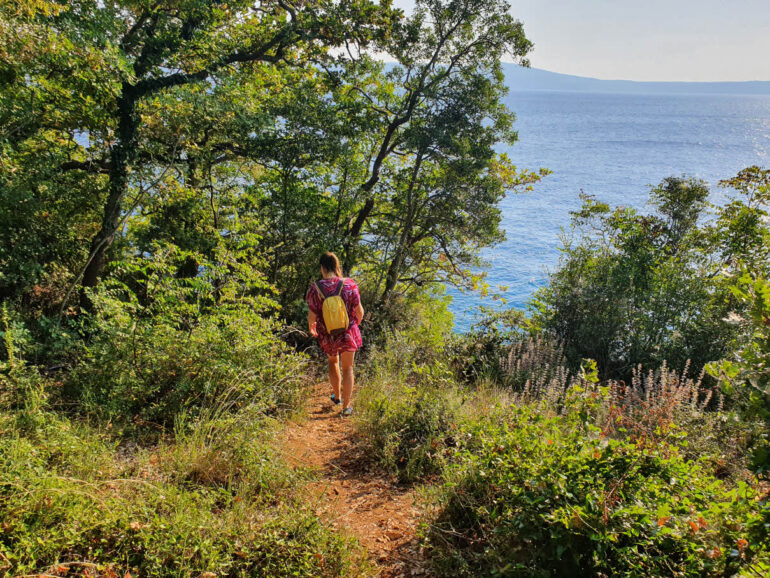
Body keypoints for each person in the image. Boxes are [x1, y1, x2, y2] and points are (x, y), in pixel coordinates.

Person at [306, 252, 364, 416]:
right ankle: (346, 407)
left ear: (322, 268)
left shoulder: (315, 288)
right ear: (337, 267)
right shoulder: (349, 284)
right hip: (348, 332)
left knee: (333, 361)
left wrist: (312, 328)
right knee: (348, 368)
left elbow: (312, 316)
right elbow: (360, 312)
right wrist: (354, 325)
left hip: (328, 334)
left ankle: (337, 397)